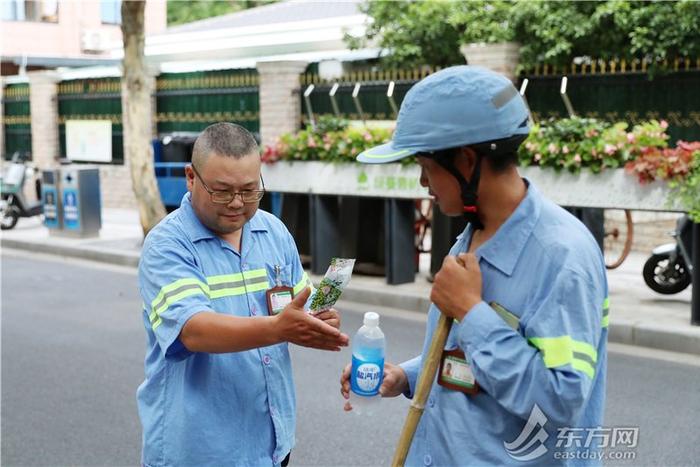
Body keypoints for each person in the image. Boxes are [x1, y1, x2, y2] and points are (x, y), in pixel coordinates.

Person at [340, 66, 608, 465]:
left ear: (466, 161)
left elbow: (560, 400)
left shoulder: (563, 256)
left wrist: (472, 311)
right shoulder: (472, 234)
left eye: (426, 167)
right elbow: (462, 356)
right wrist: (407, 377)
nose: (422, 183)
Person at [138, 122, 349, 467]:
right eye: (222, 191)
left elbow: (297, 305)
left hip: (271, 443)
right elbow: (194, 330)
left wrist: (316, 321)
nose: (237, 203)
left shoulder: (273, 232)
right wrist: (281, 328)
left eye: (250, 191)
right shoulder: (167, 244)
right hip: (200, 450)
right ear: (191, 177)